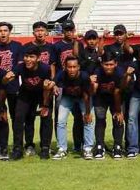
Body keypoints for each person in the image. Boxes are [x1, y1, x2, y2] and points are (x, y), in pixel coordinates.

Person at [10, 46, 55, 160]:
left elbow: (47, 88)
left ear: (38, 58)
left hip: (42, 94)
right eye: (26, 56)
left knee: (46, 118)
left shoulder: (45, 69)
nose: (28, 59)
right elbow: (7, 79)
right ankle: (19, 148)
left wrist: (45, 105)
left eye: (32, 57)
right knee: (20, 118)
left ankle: (45, 148)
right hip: (25, 94)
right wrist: (6, 78)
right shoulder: (20, 67)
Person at [0, 21, 23, 158]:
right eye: (0, 31)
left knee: (16, 118)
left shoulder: (18, 46)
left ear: (9, 32)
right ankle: (0, 145)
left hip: (13, 87)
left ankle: (17, 146)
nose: (3, 33)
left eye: (5, 30)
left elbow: (20, 65)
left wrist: (11, 74)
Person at [52, 21, 86, 155]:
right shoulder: (57, 46)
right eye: (66, 30)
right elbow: (54, 64)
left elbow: (79, 59)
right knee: (60, 118)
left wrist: (77, 41)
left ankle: (79, 144)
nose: (69, 32)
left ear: (74, 30)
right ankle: (61, 146)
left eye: (71, 30)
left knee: (79, 117)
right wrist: (54, 81)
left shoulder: (79, 44)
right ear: (63, 31)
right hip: (62, 85)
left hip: (77, 85)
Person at [52, 56, 94, 160]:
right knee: (60, 121)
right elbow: (52, 83)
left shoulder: (84, 76)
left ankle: (87, 149)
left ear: (78, 67)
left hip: (82, 98)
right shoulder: (61, 74)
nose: (71, 69)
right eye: (69, 67)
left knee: (88, 121)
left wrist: (87, 113)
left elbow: (86, 95)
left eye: (74, 67)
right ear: (65, 67)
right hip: (67, 97)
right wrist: (54, 86)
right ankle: (62, 149)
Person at [90, 51, 125, 159]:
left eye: (111, 64)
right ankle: (100, 146)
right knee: (100, 120)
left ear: (115, 64)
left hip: (117, 99)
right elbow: (92, 92)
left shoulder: (119, 73)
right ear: (102, 64)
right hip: (101, 98)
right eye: (106, 64)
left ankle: (118, 146)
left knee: (118, 120)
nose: (108, 67)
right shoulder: (97, 72)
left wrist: (119, 111)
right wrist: (93, 86)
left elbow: (118, 93)